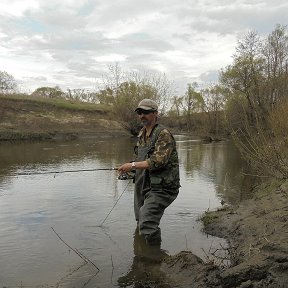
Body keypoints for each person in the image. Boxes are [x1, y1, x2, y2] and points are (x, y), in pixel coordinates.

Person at [118, 99, 180, 246]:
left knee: (147, 222)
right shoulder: (141, 134)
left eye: (146, 112)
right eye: (140, 112)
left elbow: (157, 161)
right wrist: (128, 170)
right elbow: (141, 159)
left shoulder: (163, 134)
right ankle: (141, 253)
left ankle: (153, 258)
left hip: (162, 188)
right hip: (143, 184)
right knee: (140, 220)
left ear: (155, 114)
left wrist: (132, 165)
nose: (142, 115)